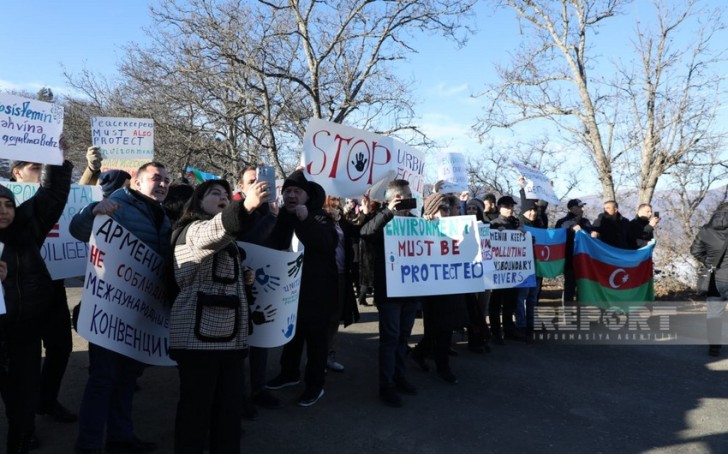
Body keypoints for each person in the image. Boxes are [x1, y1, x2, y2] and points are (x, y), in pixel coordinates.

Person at [70, 162, 172, 454]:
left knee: (127, 378)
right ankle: (88, 445)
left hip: (139, 312)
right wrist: (93, 212)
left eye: (166, 179)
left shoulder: (161, 216)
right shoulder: (117, 203)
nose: (163, 183)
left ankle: (120, 437)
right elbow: (78, 229)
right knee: (103, 379)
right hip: (110, 309)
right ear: (137, 183)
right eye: (156, 178)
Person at [169, 178, 268, 453]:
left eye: (226, 193)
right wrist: (244, 204)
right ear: (198, 202)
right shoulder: (191, 230)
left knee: (228, 414)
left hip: (228, 340)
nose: (223, 196)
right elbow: (213, 231)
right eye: (215, 193)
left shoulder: (228, 241)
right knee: (196, 414)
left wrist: (242, 281)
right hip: (198, 342)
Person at [0, 146, 73, 453]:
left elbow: (51, 196)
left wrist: (55, 158)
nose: (4, 210)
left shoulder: (26, 232)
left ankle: (21, 438)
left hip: (23, 335)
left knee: (23, 399)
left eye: (8, 204)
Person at [265, 170, 337, 407]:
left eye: (297, 191)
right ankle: (289, 374)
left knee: (316, 341)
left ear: (307, 196)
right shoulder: (282, 217)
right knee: (291, 336)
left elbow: (326, 244)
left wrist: (306, 221)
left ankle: (315, 386)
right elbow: (273, 245)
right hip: (289, 291)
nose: (291, 195)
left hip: (318, 292)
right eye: (287, 191)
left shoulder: (320, 218)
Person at [359, 179, 419, 407]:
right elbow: (365, 233)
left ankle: (399, 376)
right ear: (394, 198)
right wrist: (389, 213)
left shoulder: (416, 222)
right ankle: (386, 385)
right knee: (390, 338)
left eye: (410, 194)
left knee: (403, 337)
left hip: (411, 290)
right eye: (405, 196)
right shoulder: (383, 219)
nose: (409, 199)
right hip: (389, 291)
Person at [235, 166, 282, 412]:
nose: (258, 185)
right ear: (242, 187)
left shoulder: (272, 209)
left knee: (261, 341)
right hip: (238, 285)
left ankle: (258, 388)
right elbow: (248, 240)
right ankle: (241, 397)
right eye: (252, 181)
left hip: (266, 283)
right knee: (241, 345)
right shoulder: (236, 211)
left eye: (262, 180)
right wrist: (271, 218)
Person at [410, 193, 468, 384]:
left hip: (453, 284)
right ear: (433, 210)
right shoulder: (423, 227)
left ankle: (419, 354)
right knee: (440, 328)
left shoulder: (460, 229)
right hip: (433, 287)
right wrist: (426, 225)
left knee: (443, 328)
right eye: (444, 209)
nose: (451, 212)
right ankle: (443, 367)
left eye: (451, 208)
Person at [322, 196, 360, 373]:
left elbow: (358, 231)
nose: (337, 202)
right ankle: (318, 358)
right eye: (334, 198)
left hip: (342, 274)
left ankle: (329, 356)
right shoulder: (320, 219)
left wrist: (367, 213)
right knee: (324, 318)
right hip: (326, 276)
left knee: (335, 318)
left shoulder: (341, 221)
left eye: (338, 199)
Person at [690, 203, 728, 357]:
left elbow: (695, 250)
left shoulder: (706, 230)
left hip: (715, 279)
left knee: (714, 314)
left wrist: (709, 262)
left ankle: (714, 348)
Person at [488, 196, 520, 344]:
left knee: (510, 302)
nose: (510, 209)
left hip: (512, 270)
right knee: (496, 303)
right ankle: (495, 332)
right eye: (507, 206)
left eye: (511, 206)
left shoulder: (516, 223)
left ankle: (509, 330)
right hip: (498, 270)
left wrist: (524, 236)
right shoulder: (493, 224)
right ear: (499, 207)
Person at [555, 199, 599, 305]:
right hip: (569, 260)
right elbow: (557, 236)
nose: (582, 209)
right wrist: (570, 229)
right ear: (572, 208)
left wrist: (594, 233)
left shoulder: (586, 222)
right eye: (580, 207)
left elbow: (591, 236)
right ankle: (568, 317)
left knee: (583, 289)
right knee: (569, 288)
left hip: (584, 261)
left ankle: (581, 317)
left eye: (582, 206)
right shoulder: (562, 222)